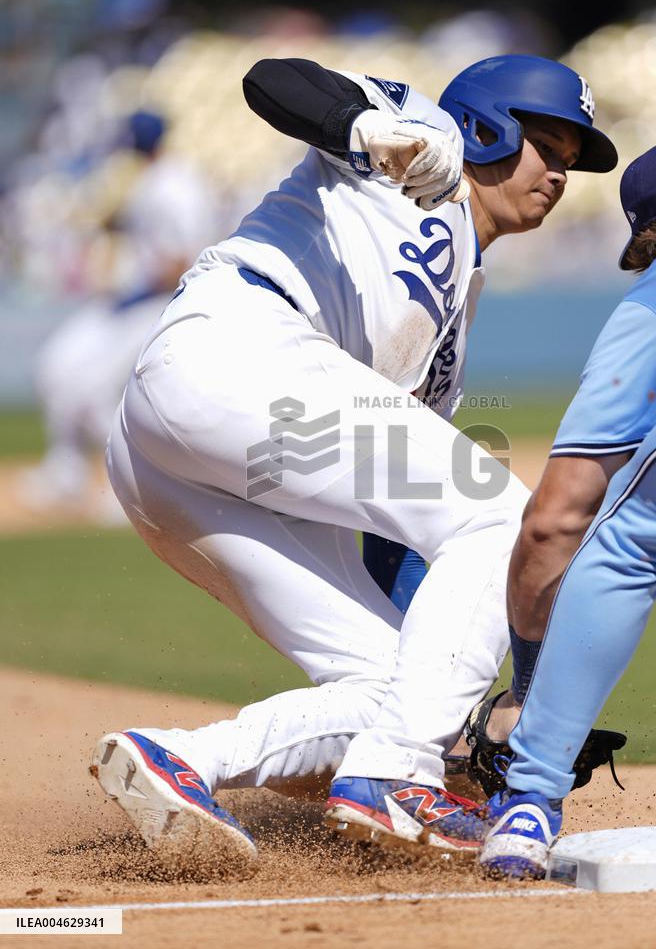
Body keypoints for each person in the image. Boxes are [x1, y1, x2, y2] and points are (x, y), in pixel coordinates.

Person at [90, 54, 617, 868]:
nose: (560, 174)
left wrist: (463, 718)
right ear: (488, 127)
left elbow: (406, 543)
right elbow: (273, 79)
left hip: (181, 458)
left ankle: (182, 760)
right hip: (235, 348)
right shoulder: (418, 135)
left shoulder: (451, 329)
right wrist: (372, 131)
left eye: (572, 162)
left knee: (392, 682)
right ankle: (392, 777)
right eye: (549, 144)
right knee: (500, 512)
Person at [475, 135, 656, 878]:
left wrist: (529, 694)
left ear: (655, 231)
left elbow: (555, 519)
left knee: (631, 539)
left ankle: (528, 798)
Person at [19, 111, 217, 521]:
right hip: (132, 297)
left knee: (93, 389)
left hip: (167, 300)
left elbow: (186, 259)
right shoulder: (150, 180)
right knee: (58, 364)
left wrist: (137, 286)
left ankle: (127, 487)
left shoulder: (179, 185)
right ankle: (67, 471)